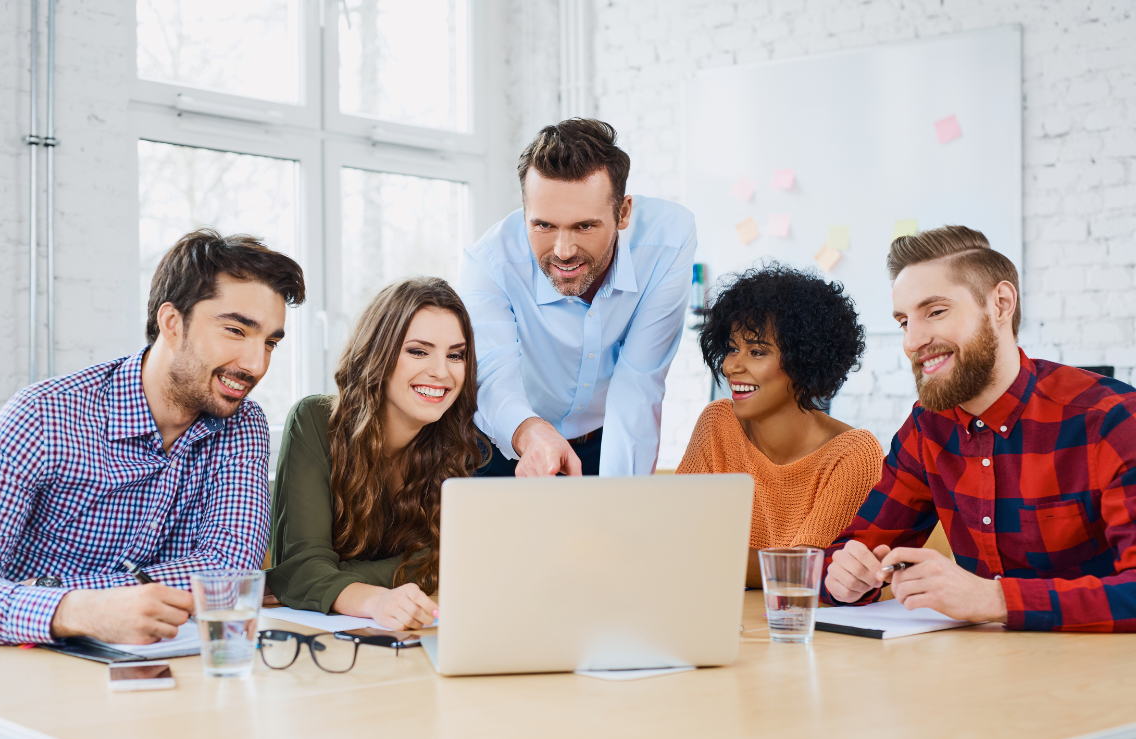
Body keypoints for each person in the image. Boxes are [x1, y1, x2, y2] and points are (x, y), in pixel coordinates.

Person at [0, 229, 304, 739]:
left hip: (149, 692)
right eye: (236, 330)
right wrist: (76, 608)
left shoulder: (242, 426)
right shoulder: (44, 416)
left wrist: (55, 590)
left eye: (272, 342)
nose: (255, 363)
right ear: (172, 322)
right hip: (4, 697)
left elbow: (229, 570)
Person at [822, 225, 1136, 632]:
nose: (913, 342)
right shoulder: (926, 429)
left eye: (935, 312)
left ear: (1001, 304)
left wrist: (993, 599)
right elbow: (855, 549)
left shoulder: (1111, 420)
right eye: (903, 321)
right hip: (980, 674)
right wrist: (845, 577)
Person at [461, 118, 697, 477]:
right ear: (524, 213)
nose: (564, 250)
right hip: (508, 437)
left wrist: (621, 506)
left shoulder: (668, 240)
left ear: (623, 213)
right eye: (543, 225)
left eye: (585, 226)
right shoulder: (490, 262)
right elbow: (493, 378)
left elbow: (639, 380)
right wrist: (530, 432)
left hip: (606, 438)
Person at [265, 278, 484, 631]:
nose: (442, 372)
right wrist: (375, 599)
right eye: (418, 351)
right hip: (323, 644)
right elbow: (301, 566)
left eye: (455, 355)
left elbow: (454, 558)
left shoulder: (462, 441)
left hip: (416, 629)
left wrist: (329, 579)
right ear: (377, 353)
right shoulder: (314, 422)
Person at [677, 264, 883, 586]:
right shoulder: (717, 423)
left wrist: (701, 555)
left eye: (757, 351)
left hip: (799, 627)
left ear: (805, 362)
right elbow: (673, 534)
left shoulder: (852, 455)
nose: (731, 366)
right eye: (732, 349)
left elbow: (805, 569)